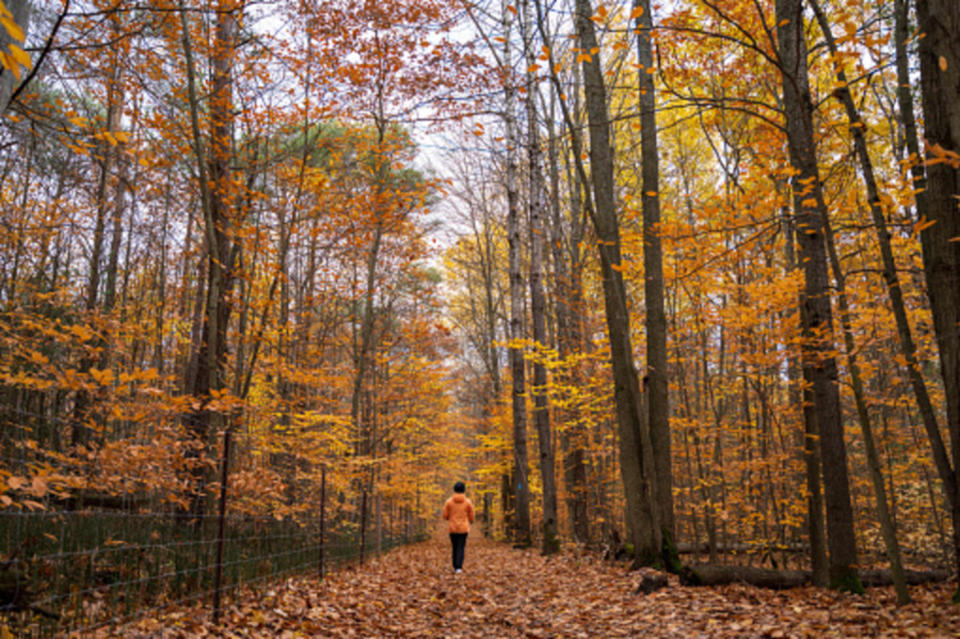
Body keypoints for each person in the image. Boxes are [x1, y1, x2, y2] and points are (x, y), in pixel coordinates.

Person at [442, 481, 475, 573]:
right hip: (463, 528)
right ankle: (459, 567)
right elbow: (471, 515)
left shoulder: (449, 502)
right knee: (461, 547)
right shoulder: (468, 502)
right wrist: (469, 520)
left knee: (454, 547)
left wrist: (450, 517)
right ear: (464, 490)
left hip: (452, 528)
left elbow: (445, 516)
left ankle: (455, 566)